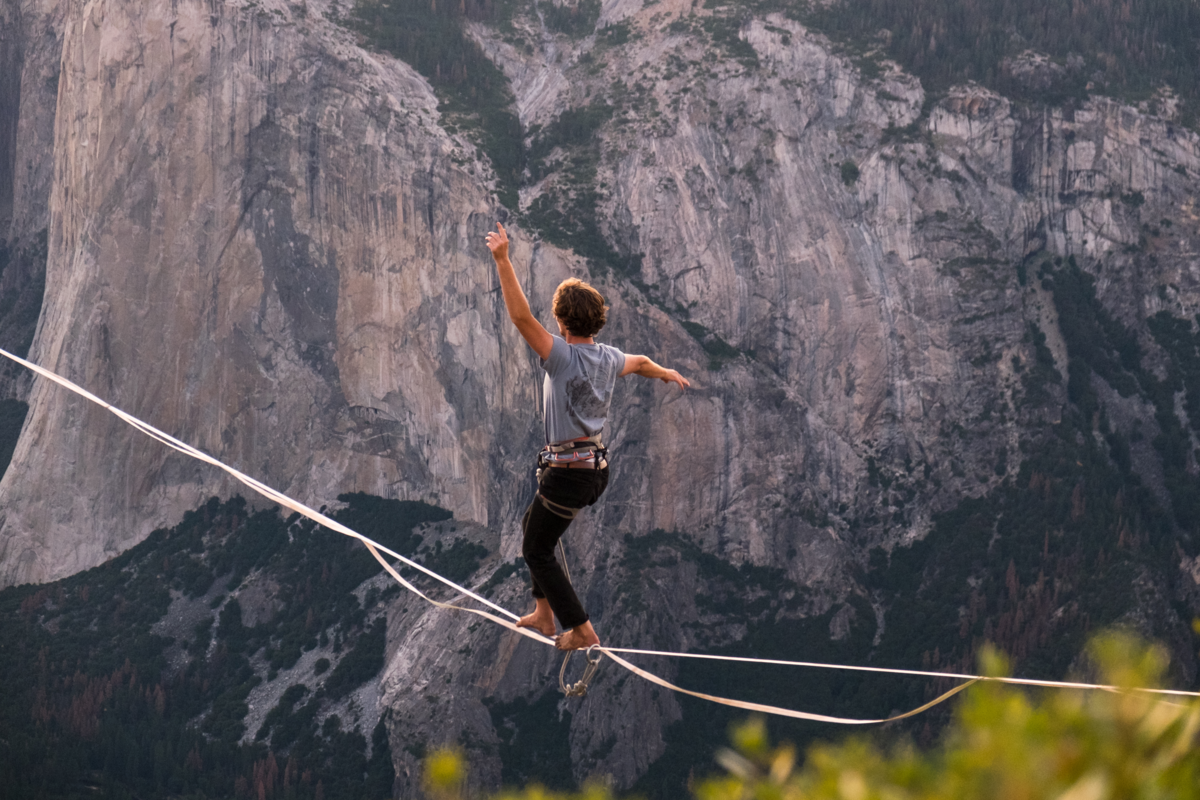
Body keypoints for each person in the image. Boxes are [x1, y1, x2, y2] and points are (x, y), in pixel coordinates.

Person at [485, 222, 691, 651]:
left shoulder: (560, 356)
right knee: (533, 528)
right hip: (594, 470)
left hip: (568, 474)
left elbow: (521, 317)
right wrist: (665, 373)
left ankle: (581, 628)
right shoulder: (609, 357)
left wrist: (503, 260)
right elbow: (641, 361)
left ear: (561, 321)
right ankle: (544, 612)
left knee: (536, 549)